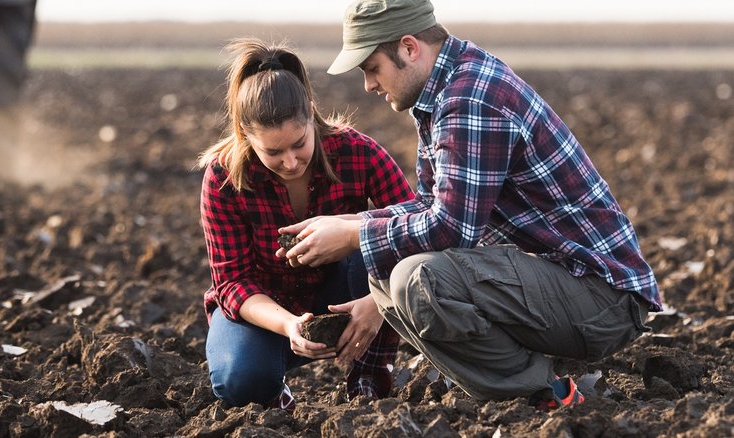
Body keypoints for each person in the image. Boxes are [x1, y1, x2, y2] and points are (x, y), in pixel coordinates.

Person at [281, 0, 661, 408]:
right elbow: (430, 205)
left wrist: (356, 233)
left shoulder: (470, 98)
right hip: (563, 282)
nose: (369, 86)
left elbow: (451, 229)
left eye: (372, 68)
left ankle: (549, 394)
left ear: (409, 48)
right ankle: (535, 381)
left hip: (603, 297)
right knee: (391, 267)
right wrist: (353, 222)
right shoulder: (444, 90)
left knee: (415, 279)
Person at [198, 38, 414, 409]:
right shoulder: (223, 178)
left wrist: (379, 303)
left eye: (299, 143)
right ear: (245, 134)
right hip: (267, 308)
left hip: (346, 294)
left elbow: (417, 225)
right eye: (273, 152)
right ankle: (273, 392)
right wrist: (288, 325)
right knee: (239, 379)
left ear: (311, 115)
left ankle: (368, 377)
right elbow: (231, 281)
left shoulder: (358, 153)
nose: (291, 162)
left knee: (376, 240)